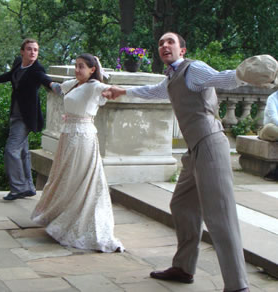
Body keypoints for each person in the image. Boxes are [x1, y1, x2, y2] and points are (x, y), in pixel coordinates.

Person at [103, 32, 252, 291]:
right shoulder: (172, 77)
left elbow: (221, 78)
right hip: (194, 150)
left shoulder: (194, 69)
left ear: (182, 50)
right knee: (182, 205)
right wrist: (122, 90)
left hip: (211, 144)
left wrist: (244, 73)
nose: (164, 46)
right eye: (161, 43)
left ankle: (238, 285)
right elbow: (154, 91)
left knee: (220, 216)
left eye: (170, 42)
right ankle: (184, 268)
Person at [31, 53, 124, 253]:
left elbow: (107, 89)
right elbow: (55, 88)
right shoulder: (74, 84)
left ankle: (78, 219)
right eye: (76, 66)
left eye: (81, 66)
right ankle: (61, 212)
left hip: (83, 137)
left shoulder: (93, 86)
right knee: (65, 175)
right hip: (68, 134)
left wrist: (114, 91)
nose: (77, 69)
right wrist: (38, 74)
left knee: (79, 176)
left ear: (92, 69)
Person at [0, 38, 59, 201]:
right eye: (29, 49)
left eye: (36, 50)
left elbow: (45, 79)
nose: (33, 52)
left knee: (12, 149)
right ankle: (28, 187)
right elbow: (9, 76)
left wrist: (55, 87)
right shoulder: (18, 64)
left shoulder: (36, 69)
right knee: (22, 151)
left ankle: (17, 189)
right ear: (22, 52)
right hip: (15, 114)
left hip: (26, 117)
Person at [258, 90, 278, 180]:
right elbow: (274, 118)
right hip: (268, 129)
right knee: (271, 127)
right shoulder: (272, 98)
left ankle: (275, 172)